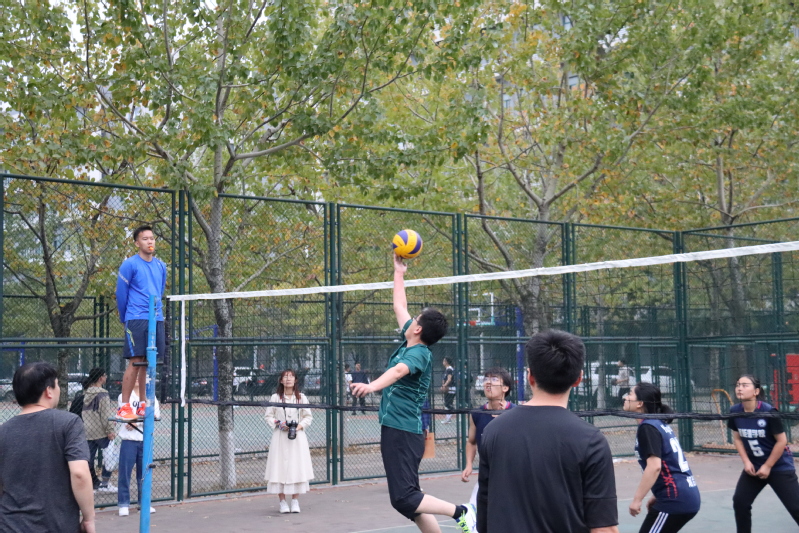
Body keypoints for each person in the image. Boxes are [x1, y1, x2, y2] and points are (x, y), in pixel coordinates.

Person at [351, 253, 476, 533]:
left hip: (403, 431)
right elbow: (399, 305)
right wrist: (399, 272)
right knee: (411, 503)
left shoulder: (419, 354)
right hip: (398, 429)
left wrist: (371, 386)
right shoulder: (412, 340)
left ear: (417, 329)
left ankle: (462, 512)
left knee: (404, 498)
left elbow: (398, 372)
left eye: (415, 319)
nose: (409, 319)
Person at [477, 330, 618, 533]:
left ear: (530, 376)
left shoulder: (494, 430)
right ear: (578, 378)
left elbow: (485, 506)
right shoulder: (591, 440)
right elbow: (604, 527)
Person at [0, 362, 95, 533]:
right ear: (48, 391)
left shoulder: (3, 431)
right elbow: (79, 474)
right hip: (57, 525)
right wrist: (89, 518)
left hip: (9, 525)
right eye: (57, 385)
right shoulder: (69, 423)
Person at [623, 382, 700, 533]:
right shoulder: (657, 423)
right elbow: (669, 463)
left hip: (675, 499)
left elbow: (655, 467)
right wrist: (658, 494)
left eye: (630, 394)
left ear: (640, 403)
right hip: (681, 495)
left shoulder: (648, 427)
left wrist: (637, 500)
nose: (626, 397)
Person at [728, 374, 799, 532]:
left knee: (796, 508)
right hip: (754, 467)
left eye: (745, 385)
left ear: (756, 391)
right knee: (740, 502)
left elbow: (782, 441)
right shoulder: (735, 411)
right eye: (738, 385)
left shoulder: (769, 412)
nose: (740, 388)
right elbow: (737, 439)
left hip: (779, 466)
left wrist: (768, 466)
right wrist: (746, 462)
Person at [115, 224, 167, 421]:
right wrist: (125, 317)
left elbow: (159, 291)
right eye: (145, 239)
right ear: (137, 243)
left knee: (148, 362)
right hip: (136, 318)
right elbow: (121, 294)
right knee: (136, 361)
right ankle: (124, 406)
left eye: (152, 238)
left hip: (156, 318)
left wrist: (157, 313)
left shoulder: (161, 266)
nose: (150, 241)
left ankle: (144, 404)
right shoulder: (129, 264)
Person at [461, 368, 515, 508]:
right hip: (487, 473)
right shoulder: (477, 413)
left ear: (505, 388)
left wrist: (504, 420)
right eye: (486, 379)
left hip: (512, 475)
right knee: (475, 511)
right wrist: (468, 465)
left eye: (494, 379)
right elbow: (471, 442)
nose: (488, 383)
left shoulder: (515, 413)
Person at [264, 369, 314, 514]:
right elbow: (268, 416)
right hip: (280, 437)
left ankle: (295, 501)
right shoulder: (275, 397)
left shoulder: (301, 398)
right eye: (285, 377)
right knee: (279, 467)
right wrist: (279, 424)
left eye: (291, 376)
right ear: (281, 380)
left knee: (296, 467)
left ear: (295, 380)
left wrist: (298, 426)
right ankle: (282, 502)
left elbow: (308, 417)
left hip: (297, 438)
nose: (288, 379)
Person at [116, 378, 159, 517]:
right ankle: (123, 504)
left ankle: (143, 503)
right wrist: (137, 419)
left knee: (144, 474)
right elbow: (123, 415)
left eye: (140, 377)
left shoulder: (151, 396)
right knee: (125, 473)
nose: (136, 379)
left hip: (145, 440)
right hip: (129, 440)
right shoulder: (124, 397)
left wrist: (136, 422)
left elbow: (154, 415)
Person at [81, 367, 116, 492]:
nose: (106, 377)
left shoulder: (85, 393)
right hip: (101, 431)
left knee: (88, 459)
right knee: (110, 457)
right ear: (101, 378)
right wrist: (110, 430)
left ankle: (90, 485)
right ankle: (105, 484)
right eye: (105, 375)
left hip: (87, 430)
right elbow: (105, 414)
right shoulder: (103, 393)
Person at [440, 356, 456, 424]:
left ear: (446, 362)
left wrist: (444, 385)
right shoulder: (447, 369)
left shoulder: (449, 369)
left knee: (448, 404)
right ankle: (448, 418)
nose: (443, 362)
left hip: (450, 388)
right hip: (449, 388)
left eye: (444, 360)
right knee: (448, 403)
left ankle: (450, 416)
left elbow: (449, 379)